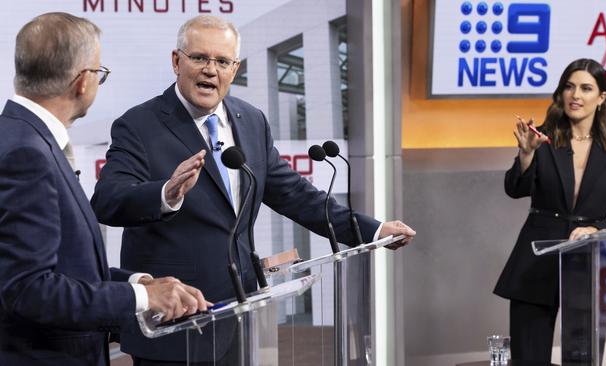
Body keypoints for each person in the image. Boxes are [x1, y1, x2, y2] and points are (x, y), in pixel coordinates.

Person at [90, 15, 416, 365]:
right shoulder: (139, 124)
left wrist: (374, 230)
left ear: (235, 68)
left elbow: (294, 194)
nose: (210, 70)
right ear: (176, 61)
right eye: (199, 58)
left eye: (222, 61)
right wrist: (166, 194)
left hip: (237, 317)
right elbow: (108, 201)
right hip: (175, 321)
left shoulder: (251, 120)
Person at [0, 13, 209, 366]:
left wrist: (136, 285)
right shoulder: (27, 153)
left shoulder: (21, 138)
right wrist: (140, 300)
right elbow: (28, 290)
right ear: (83, 81)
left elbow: (57, 268)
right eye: (99, 72)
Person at [493, 58, 606, 364]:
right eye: (569, 87)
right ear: (560, 94)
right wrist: (526, 154)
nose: (575, 95)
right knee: (529, 359)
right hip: (535, 263)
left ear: (601, 97)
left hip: (588, 265)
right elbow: (514, 188)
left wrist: (595, 231)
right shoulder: (541, 139)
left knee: (583, 360)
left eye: (586, 88)